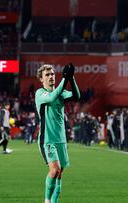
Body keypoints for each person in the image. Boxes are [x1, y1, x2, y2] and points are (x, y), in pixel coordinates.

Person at [35, 63, 80, 203]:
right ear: (41, 79)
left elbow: (76, 96)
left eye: (53, 74)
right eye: (47, 75)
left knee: (60, 174)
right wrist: (64, 79)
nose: (51, 76)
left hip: (61, 140)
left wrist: (71, 78)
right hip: (47, 140)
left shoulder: (61, 92)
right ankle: (47, 200)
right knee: (54, 170)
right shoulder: (40, 93)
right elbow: (51, 97)